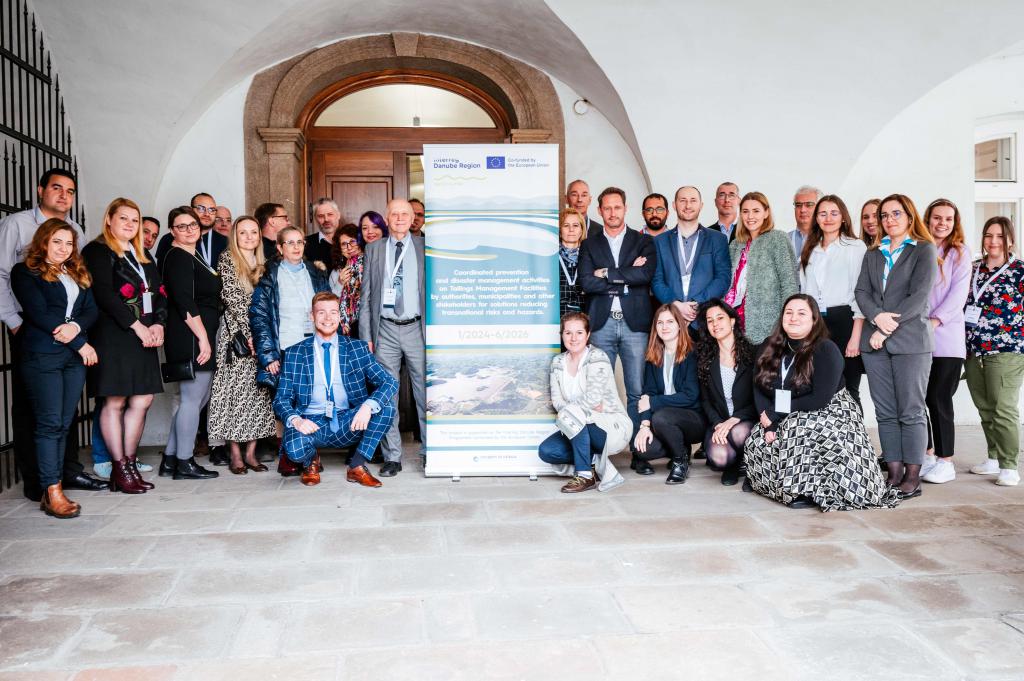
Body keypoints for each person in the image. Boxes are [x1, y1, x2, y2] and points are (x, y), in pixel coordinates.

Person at [0, 168, 106, 499]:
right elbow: (7, 279)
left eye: (70, 190)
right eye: (57, 188)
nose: (64, 195)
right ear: (41, 190)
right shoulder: (17, 227)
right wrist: (14, 321)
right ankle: (41, 485)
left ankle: (64, 474)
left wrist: (76, 330)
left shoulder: (74, 239)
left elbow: (88, 306)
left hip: (69, 347)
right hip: (33, 335)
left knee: (63, 417)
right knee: (37, 414)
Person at [745, 294, 901, 511]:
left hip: (830, 410)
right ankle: (775, 484)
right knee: (757, 438)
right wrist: (768, 419)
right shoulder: (769, 346)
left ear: (814, 320)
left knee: (797, 428)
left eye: (801, 313)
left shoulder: (826, 349)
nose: (793, 318)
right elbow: (758, 386)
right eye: (788, 313)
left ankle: (804, 490)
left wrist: (776, 412)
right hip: (782, 408)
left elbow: (819, 399)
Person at [11, 219, 98, 517]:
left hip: (71, 361)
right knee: (49, 425)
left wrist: (74, 329)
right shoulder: (25, 272)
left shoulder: (76, 272)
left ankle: (54, 484)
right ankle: (53, 491)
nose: (63, 248)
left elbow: (91, 310)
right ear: (43, 242)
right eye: (57, 242)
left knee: (63, 423)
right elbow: (38, 313)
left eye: (68, 243)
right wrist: (80, 344)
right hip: (43, 356)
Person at [855, 194, 938, 499]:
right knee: (885, 412)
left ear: (910, 216)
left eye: (896, 214)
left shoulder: (924, 250)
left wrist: (885, 328)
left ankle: (912, 478)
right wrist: (876, 317)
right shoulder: (873, 254)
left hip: (910, 342)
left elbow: (918, 297)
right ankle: (893, 474)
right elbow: (861, 291)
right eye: (885, 215)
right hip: (874, 344)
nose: (890, 220)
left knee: (911, 411)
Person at [82, 198, 166, 494]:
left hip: (144, 333)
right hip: (114, 334)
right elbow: (103, 294)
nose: (130, 225)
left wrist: (158, 324)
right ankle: (119, 467)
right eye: (124, 219)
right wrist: (137, 327)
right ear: (109, 220)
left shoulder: (142, 255)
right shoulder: (97, 250)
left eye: (134, 220)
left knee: (143, 399)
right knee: (115, 400)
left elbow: (160, 292)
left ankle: (128, 464)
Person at [275, 292, 399, 487]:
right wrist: (297, 420)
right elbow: (281, 399)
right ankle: (310, 462)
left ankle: (357, 466)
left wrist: (367, 407)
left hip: (347, 421)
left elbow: (390, 382)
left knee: (386, 408)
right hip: (311, 423)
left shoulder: (357, 349)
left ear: (340, 316)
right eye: (321, 313)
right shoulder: (294, 353)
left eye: (333, 312)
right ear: (312, 316)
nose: (328, 318)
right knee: (294, 449)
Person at [579, 186, 657, 472]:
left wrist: (608, 273)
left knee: (636, 390)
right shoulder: (590, 244)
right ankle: (598, 453)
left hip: (635, 323)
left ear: (626, 209)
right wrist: (627, 275)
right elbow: (587, 282)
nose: (612, 212)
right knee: (597, 390)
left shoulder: (642, 241)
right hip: (601, 323)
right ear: (600, 211)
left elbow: (645, 274)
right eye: (607, 208)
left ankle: (640, 454)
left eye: (617, 207)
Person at [250, 225, 330, 475]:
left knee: (313, 402)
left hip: (314, 346)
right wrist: (268, 354)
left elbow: (326, 306)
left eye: (300, 242)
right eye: (290, 243)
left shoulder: (315, 273)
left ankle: (310, 455)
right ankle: (290, 456)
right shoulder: (269, 275)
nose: (296, 247)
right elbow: (259, 317)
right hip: (285, 347)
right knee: (286, 404)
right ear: (279, 247)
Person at [358, 199, 426, 478]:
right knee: (388, 395)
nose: (399, 218)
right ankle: (392, 456)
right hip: (384, 329)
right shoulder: (374, 249)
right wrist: (366, 336)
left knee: (425, 393)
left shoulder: (424, 248)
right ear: (387, 218)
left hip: (417, 328)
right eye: (394, 214)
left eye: (404, 214)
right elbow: (366, 296)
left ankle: (429, 453)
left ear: (413, 219)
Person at [159, 206, 223, 481]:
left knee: (194, 400)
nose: (189, 229)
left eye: (192, 224)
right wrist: (203, 339)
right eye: (181, 226)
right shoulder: (178, 258)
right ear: (172, 231)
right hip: (191, 334)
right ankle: (185, 462)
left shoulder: (191, 254)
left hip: (197, 331)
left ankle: (171, 459)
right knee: (191, 399)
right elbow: (184, 301)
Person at [209, 216, 276, 474]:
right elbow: (233, 299)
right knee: (235, 394)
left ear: (260, 235)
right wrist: (251, 335)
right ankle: (235, 453)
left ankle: (251, 453)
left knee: (259, 393)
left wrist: (261, 336)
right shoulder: (227, 260)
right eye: (243, 232)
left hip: (260, 335)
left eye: (253, 232)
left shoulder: (265, 263)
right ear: (235, 236)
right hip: (236, 336)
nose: (249, 237)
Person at [538, 312, 629, 492]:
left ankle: (584, 475)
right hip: (574, 426)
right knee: (547, 450)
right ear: (562, 335)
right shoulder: (557, 362)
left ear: (587, 335)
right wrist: (575, 410)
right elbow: (557, 401)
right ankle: (592, 463)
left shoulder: (598, 357)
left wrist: (573, 410)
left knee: (574, 414)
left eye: (579, 333)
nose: (573, 338)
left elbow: (593, 398)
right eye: (568, 333)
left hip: (609, 426)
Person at [964, 217, 1024, 487]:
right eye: (989, 235)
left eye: (1000, 236)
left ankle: (1010, 465)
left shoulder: (1019, 271)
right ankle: (993, 457)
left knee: (1003, 408)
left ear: (1010, 239)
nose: (993, 241)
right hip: (974, 348)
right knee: (985, 407)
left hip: (1006, 348)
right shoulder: (974, 269)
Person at [920, 199, 971, 484]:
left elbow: (958, 295)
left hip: (947, 339)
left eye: (948, 219)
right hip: (918, 339)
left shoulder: (960, 253)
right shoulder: (921, 249)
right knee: (920, 398)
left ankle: (945, 460)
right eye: (937, 218)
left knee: (938, 398)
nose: (942, 223)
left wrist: (935, 321)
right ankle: (927, 454)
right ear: (927, 219)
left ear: (955, 223)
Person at [798, 195, 867, 404]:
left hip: (845, 320)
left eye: (834, 213)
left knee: (849, 386)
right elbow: (805, 290)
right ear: (816, 219)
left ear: (843, 217)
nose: (828, 218)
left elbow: (860, 292)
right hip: (816, 323)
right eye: (823, 213)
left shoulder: (855, 247)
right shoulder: (810, 249)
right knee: (819, 384)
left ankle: (855, 436)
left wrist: (855, 337)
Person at [633, 305, 704, 484]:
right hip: (663, 419)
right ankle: (679, 447)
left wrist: (653, 403)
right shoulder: (654, 356)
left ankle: (680, 462)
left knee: (662, 417)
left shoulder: (691, 353)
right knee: (643, 449)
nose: (664, 327)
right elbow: (647, 393)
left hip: (693, 419)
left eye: (670, 322)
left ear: (680, 325)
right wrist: (644, 426)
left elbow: (690, 396)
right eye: (660, 323)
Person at [651, 185, 731, 333]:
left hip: (705, 320)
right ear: (674, 205)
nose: (688, 205)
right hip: (672, 321)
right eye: (683, 200)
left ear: (701, 205)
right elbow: (657, 280)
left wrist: (696, 303)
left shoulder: (717, 239)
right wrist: (676, 305)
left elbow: (723, 278)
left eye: (693, 200)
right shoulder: (659, 242)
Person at [696, 299, 757, 486]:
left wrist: (735, 419)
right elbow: (705, 401)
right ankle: (735, 463)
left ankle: (752, 470)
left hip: (745, 420)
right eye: (710, 320)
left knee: (738, 434)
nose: (715, 324)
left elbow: (759, 398)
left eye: (720, 318)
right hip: (720, 421)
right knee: (719, 457)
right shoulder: (705, 358)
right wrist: (717, 424)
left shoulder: (753, 354)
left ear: (732, 321)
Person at [725, 191, 798, 343]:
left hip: (767, 324)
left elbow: (789, 283)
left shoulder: (777, 239)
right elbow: (728, 284)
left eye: (756, 211)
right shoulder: (735, 245)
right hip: (734, 323)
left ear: (766, 213)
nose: (750, 216)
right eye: (745, 211)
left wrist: (787, 320)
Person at [155, 193, 226, 266]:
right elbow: (161, 273)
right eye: (201, 208)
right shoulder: (168, 239)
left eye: (211, 209)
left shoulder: (226, 242)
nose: (207, 214)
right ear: (191, 210)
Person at [329, 223, 364, 337]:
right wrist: (340, 284)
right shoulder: (336, 272)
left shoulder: (372, 264)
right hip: (345, 330)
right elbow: (329, 304)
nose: (349, 247)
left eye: (352, 241)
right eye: (344, 244)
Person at [557, 207, 586, 318]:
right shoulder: (550, 258)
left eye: (575, 225)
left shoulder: (591, 256)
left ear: (582, 230)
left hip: (584, 317)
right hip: (557, 317)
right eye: (566, 225)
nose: (571, 229)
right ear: (559, 230)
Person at [788, 185, 822, 260]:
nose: (803, 210)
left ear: (820, 207)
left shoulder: (828, 238)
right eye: (798, 205)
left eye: (809, 205)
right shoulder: (784, 240)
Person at [307, 198, 340, 270]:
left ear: (338, 215)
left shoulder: (349, 242)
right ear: (315, 219)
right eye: (321, 216)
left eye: (330, 214)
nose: (326, 219)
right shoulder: (306, 243)